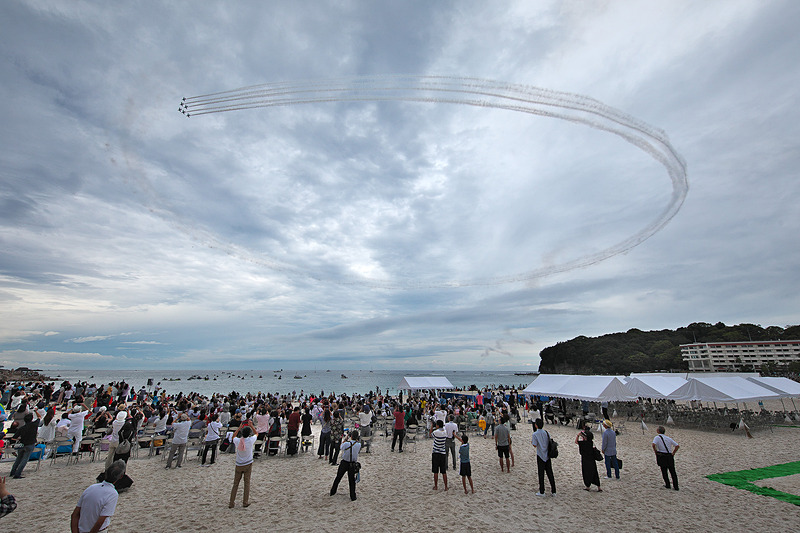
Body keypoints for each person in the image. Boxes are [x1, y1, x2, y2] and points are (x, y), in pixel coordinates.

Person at [71, 460, 126, 533]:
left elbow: (75, 515)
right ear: (121, 476)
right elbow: (100, 522)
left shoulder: (91, 488)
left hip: (81, 529)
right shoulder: (112, 494)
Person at [229, 423, 257, 508]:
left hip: (239, 463)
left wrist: (239, 428)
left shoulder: (238, 441)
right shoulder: (250, 440)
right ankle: (245, 501)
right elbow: (256, 433)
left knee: (235, 484)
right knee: (247, 483)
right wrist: (252, 426)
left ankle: (231, 502)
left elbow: (233, 436)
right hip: (248, 463)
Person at [330, 429, 361, 501]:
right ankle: (353, 496)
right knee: (352, 481)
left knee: (338, 477)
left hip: (344, 462)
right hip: (352, 464)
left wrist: (346, 438)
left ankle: (333, 491)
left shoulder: (347, 444)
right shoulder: (358, 445)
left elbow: (341, 447)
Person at [9, 412, 40, 479]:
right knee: (24, 460)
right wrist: (35, 411)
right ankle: (17, 474)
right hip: (30, 444)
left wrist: (19, 438)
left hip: (22, 444)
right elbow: (39, 417)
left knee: (18, 459)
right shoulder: (34, 425)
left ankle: (12, 472)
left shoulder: (22, 428)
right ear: (31, 419)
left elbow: (13, 438)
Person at [531, 418, 556, 497]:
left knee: (541, 474)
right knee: (550, 473)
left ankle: (542, 491)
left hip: (540, 455)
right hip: (547, 454)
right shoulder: (546, 432)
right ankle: (554, 491)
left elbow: (534, 445)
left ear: (536, 425)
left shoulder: (535, 434)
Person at [652, 426, 679, 491]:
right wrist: (673, 453)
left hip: (662, 455)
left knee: (664, 471)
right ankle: (676, 486)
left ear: (658, 431)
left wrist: (655, 451)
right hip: (669, 455)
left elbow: (653, 444)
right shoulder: (668, 438)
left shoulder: (657, 437)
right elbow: (677, 446)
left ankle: (667, 484)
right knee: (672, 471)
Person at [576, 426, 602, 492]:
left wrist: (578, 435)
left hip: (585, 460)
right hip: (592, 460)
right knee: (594, 473)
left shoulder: (583, 444)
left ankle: (588, 486)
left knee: (586, 473)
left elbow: (576, 442)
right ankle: (598, 486)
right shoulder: (591, 443)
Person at [429, 420, 448, 491]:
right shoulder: (445, 432)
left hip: (436, 452)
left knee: (435, 471)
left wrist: (431, 426)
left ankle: (436, 486)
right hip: (442, 452)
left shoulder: (436, 432)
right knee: (443, 471)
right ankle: (446, 486)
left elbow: (430, 434)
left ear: (437, 425)